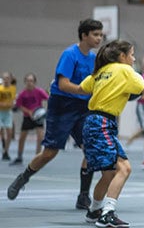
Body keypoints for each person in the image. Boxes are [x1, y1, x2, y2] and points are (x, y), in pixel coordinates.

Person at [7, 19, 103, 209]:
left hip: (83, 108)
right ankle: (23, 177)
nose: (99, 38)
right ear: (84, 35)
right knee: (50, 152)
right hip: (62, 106)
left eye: (101, 35)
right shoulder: (70, 55)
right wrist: (84, 91)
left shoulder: (94, 59)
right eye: (95, 34)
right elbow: (63, 84)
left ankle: (83, 195)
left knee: (90, 150)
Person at [74, 39, 144, 228]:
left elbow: (83, 87)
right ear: (122, 56)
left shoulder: (100, 71)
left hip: (91, 122)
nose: (133, 58)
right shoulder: (125, 70)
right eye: (131, 55)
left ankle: (94, 211)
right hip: (103, 124)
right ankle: (108, 213)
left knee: (108, 174)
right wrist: (133, 84)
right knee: (124, 169)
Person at [12, 73, 49, 165]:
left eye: (31, 81)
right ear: (25, 82)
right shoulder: (22, 94)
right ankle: (19, 156)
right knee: (22, 137)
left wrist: (44, 111)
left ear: (35, 82)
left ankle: (38, 157)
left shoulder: (39, 91)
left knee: (40, 136)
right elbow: (19, 105)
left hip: (38, 117)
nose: (29, 83)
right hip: (27, 118)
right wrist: (29, 112)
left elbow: (48, 98)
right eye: (28, 81)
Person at [0, 72, 16, 161]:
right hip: (0, 112)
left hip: (8, 112)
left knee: (9, 132)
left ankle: (6, 151)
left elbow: (12, 102)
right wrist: (6, 104)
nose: (6, 80)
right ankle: (3, 142)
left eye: (7, 78)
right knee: (1, 130)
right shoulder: (0, 88)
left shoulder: (13, 89)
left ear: (10, 79)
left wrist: (10, 104)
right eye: (4, 78)